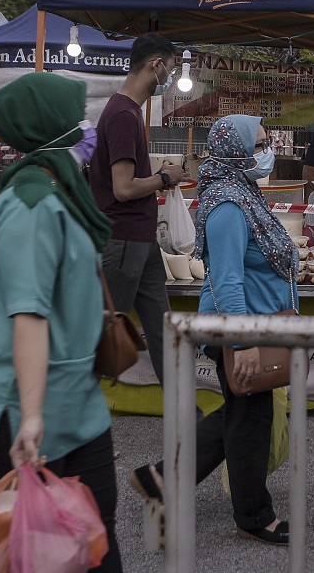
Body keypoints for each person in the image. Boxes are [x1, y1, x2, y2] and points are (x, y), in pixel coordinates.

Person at [0, 73, 120, 572]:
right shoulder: (31, 203)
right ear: (51, 128)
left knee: (96, 549)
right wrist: (32, 417)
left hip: (76, 402)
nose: (87, 129)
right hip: (17, 409)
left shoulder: (60, 193)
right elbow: (30, 315)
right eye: (77, 117)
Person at [129, 114, 296, 546]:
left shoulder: (243, 191)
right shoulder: (227, 204)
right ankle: (253, 516)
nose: (266, 151)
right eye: (258, 145)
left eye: (266, 142)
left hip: (254, 322)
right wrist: (242, 343)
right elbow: (225, 280)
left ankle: (162, 478)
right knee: (248, 420)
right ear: (235, 150)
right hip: (238, 326)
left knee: (242, 415)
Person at [88, 33, 185, 384]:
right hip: (123, 240)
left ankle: (186, 419)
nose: (170, 80)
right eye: (170, 70)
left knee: (165, 334)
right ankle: (76, 425)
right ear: (155, 65)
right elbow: (124, 188)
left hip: (141, 244)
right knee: (104, 339)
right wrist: (165, 177)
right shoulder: (123, 115)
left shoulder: (127, 112)